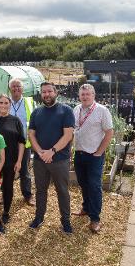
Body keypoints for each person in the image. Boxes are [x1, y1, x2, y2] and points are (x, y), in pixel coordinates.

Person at [28, 82, 75, 234]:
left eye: (49, 91)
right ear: (41, 94)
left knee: (62, 190)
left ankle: (66, 221)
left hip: (60, 159)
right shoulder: (36, 112)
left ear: (56, 92)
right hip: (40, 160)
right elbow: (31, 135)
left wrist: (52, 151)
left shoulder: (66, 111)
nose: (46, 94)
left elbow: (68, 135)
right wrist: (40, 152)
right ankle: (39, 217)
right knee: (40, 190)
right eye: (44, 92)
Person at [73, 84, 113, 233]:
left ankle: (95, 218)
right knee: (83, 183)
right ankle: (86, 208)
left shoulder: (102, 111)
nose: (85, 97)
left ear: (93, 95)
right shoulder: (76, 110)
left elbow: (109, 132)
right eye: (82, 94)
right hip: (80, 154)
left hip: (94, 156)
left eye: (88, 94)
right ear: (79, 96)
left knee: (94, 186)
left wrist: (99, 152)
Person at [0, 94, 25, 224]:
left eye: (6, 103)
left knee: (8, 186)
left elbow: (21, 142)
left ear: (10, 105)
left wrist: (19, 161)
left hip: (10, 160)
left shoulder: (15, 121)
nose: (3, 105)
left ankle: (6, 211)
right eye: (1, 102)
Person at [8, 78, 35, 206]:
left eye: (18, 86)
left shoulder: (29, 102)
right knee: (7, 170)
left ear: (22, 89)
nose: (16, 88)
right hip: (8, 144)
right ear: (10, 89)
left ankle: (27, 194)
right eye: (13, 86)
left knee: (24, 170)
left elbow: (35, 121)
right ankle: (6, 194)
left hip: (24, 143)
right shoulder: (5, 102)